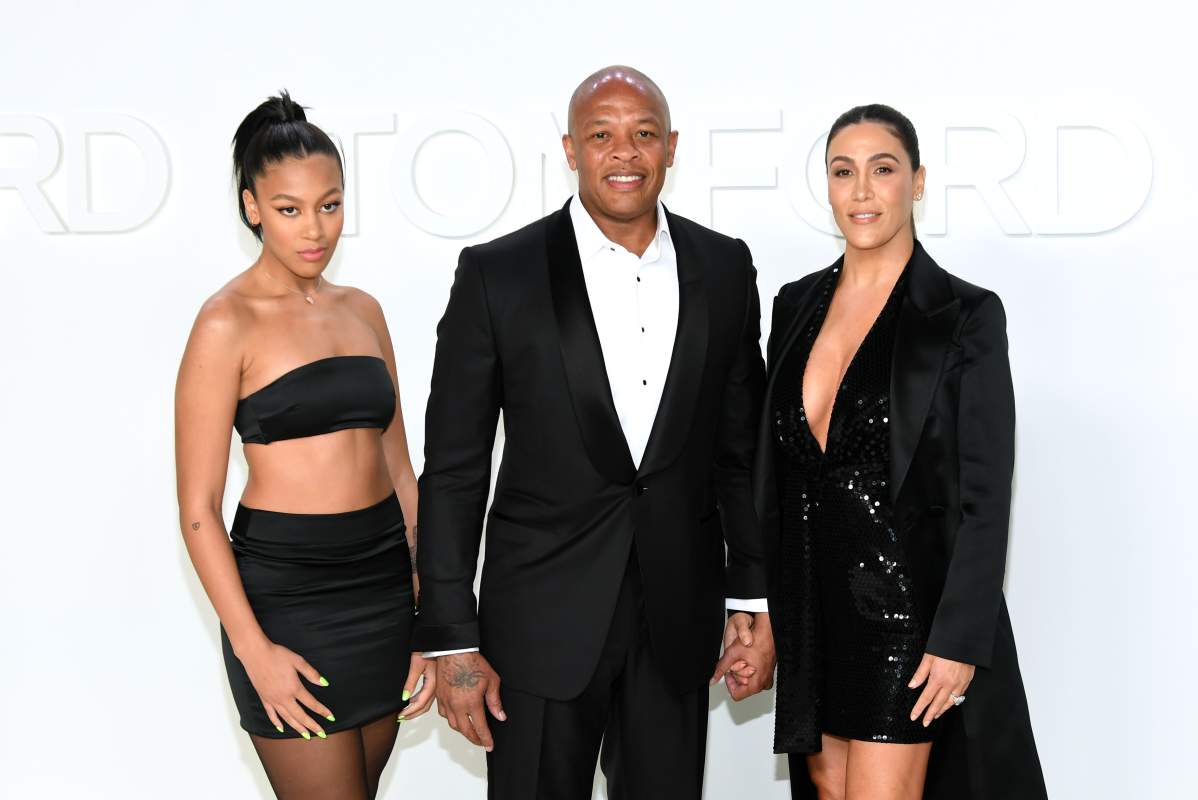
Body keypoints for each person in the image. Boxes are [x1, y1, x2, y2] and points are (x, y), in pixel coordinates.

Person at [414, 65, 776, 799]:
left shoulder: (725, 265)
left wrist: (755, 599)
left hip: (678, 618)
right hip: (538, 623)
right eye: (602, 135)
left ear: (671, 147)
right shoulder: (497, 273)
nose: (625, 153)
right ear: (570, 149)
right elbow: (455, 467)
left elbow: (741, 454)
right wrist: (451, 632)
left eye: (643, 134)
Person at [752, 104, 1047, 799]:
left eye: (882, 170)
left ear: (916, 182)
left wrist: (959, 640)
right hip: (812, 615)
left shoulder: (965, 314)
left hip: (905, 622)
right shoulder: (794, 307)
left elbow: (986, 492)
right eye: (843, 171)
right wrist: (760, 609)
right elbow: (780, 474)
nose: (861, 191)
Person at [174, 91, 434, 799]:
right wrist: (254, 651)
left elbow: (402, 471)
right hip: (286, 600)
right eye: (288, 209)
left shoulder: (365, 312)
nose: (314, 228)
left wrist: (430, 611)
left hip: (383, 594)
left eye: (330, 204)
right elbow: (197, 509)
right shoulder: (225, 323)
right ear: (253, 206)